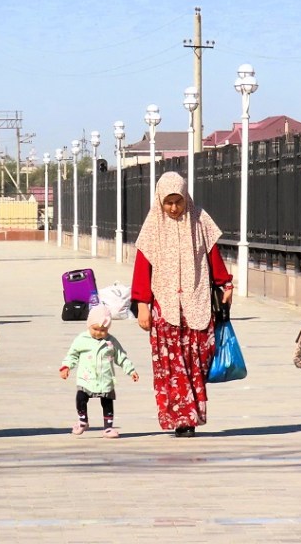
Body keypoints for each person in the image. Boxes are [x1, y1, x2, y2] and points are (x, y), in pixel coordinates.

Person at [130, 171, 233, 437]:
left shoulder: (199, 220)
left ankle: (193, 415)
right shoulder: (152, 226)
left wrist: (225, 284)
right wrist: (142, 304)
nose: (174, 208)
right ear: (160, 200)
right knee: (171, 367)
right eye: (168, 202)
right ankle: (180, 419)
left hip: (196, 302)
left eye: (178, 201)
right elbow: (143, 267)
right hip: (165, 306)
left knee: (195, 363)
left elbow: (213, 256)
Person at [60, 303, 139, 438]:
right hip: (86, 378)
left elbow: (121, 357)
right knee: (81, 397)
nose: (99, 333)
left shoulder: (111, 342)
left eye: (103, 330)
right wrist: (66, 366)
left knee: (107, 402)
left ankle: (108, 427)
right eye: (95, 329)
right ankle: (83, 420)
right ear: (89, 325)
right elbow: (72, 354)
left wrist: (131, 370)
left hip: (105, 379)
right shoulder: (82, 339)